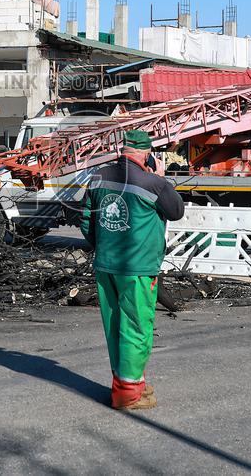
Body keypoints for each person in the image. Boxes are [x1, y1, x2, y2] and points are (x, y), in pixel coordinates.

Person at [80, 129, 185, 411]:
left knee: (115, 326)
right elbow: (176, 211)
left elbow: (86, 220)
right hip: (137, 268)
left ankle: (128, 382)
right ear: (146, 154)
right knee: (136, 327)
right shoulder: (153, 183)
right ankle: (128, 394)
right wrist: (162, 179)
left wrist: (104, 246)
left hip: (106, 266)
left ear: (122, 150)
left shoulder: (98, 177)